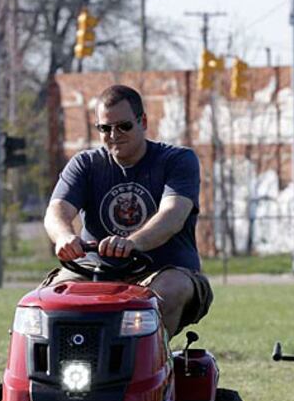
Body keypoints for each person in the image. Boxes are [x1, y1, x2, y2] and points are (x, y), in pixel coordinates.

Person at [42, 84, 212, 336]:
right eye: (105, 128)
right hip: (93, 271)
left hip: (161, 271)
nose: (114, 135)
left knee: (169, 290)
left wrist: (132, 243)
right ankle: (51, 372)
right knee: (45, 303)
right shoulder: (85, 164)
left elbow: (173, 215)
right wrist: (64, 237)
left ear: (142, 121)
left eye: (124, 126)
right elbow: (57, 210)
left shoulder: (177, 160)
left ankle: (151, 365)